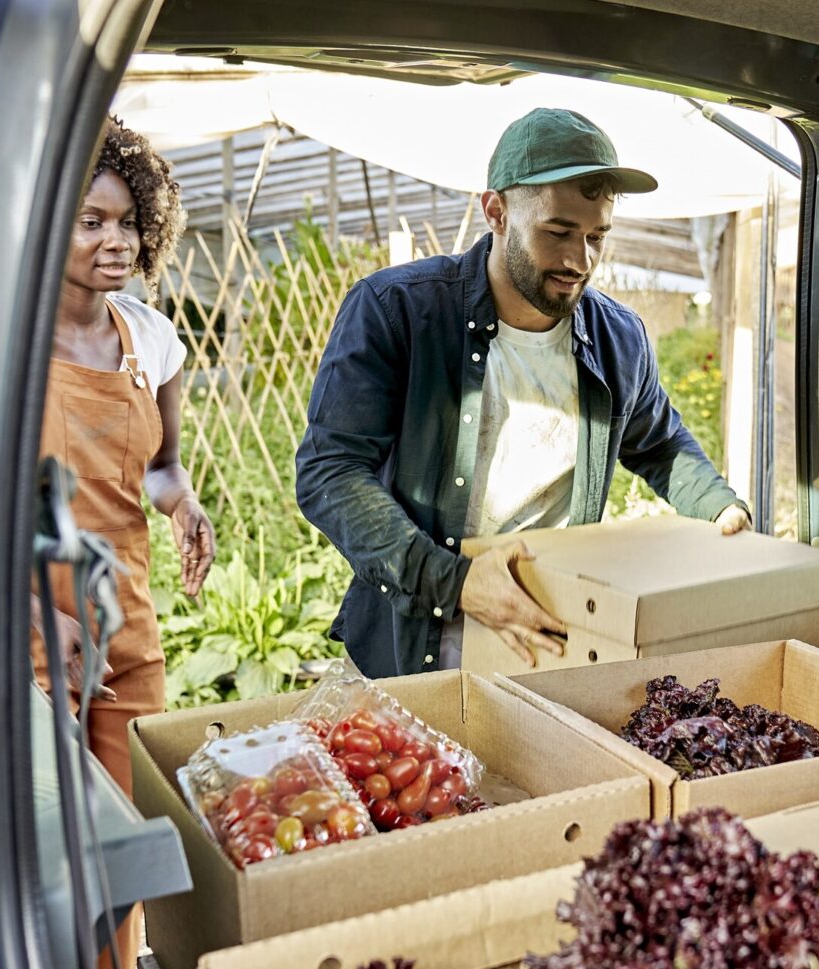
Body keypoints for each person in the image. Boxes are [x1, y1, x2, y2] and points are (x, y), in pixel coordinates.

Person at [297, 107, 749, 678]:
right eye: (558, 233)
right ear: (497, 212)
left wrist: (721, 506)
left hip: (553, 632)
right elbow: (329, 473)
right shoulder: (397, 312)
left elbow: (658, 442)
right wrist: (455, 583)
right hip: (416, 634)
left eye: (596, 237)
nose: (579, 261)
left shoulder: (617, 338)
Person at [28, 115, 216, 792]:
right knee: (47, 842)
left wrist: (184, 504)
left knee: (133, 827)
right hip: (25, 632)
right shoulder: (4, 350)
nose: (116, 241)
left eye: (129, 222)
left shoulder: (151, 337)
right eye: (91, 221)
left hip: (122, 627)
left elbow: (162, 465)